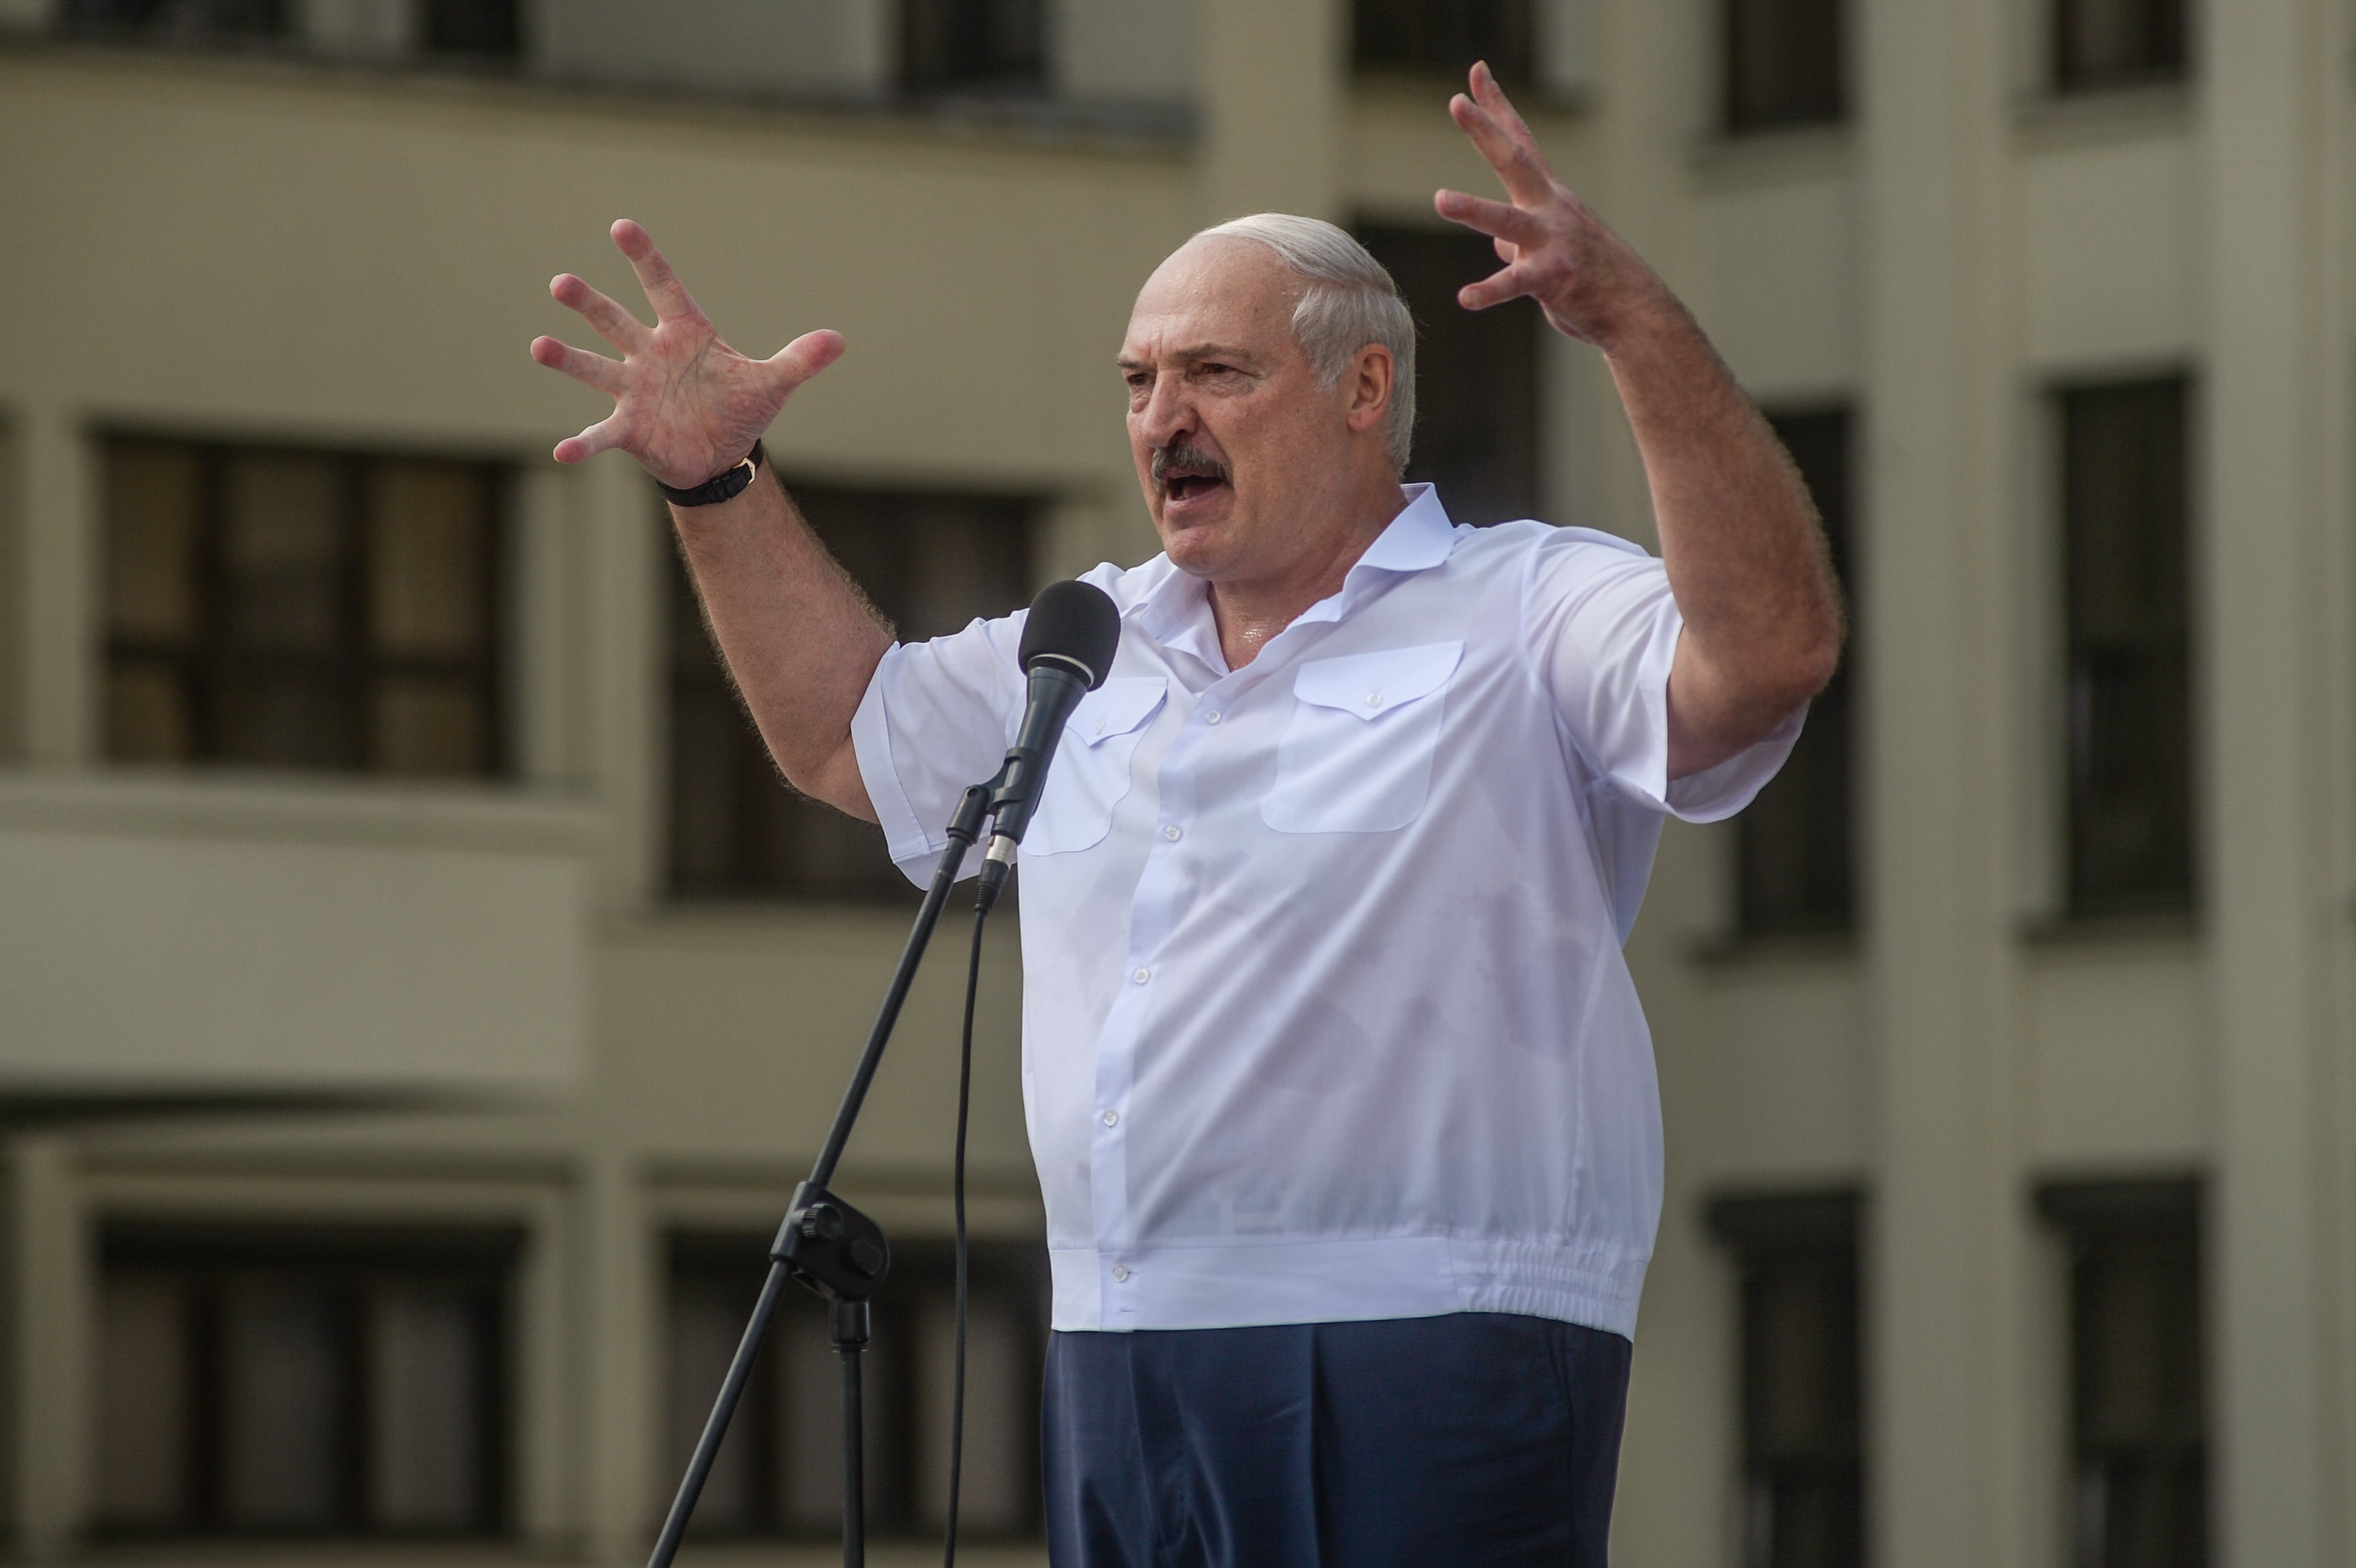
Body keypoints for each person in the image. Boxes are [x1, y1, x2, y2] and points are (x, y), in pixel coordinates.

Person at [533, 62, 1840, 1568]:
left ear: (1363, 393)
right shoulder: (1086, 638)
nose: (1162, 419)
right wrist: (718, 486)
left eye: (1215, 374)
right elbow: (847, 734)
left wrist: (1633, 328)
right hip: (1123, 1336)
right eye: (1138, 382)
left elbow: (1764, 658)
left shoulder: (1522, 606)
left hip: (1429, 1332)